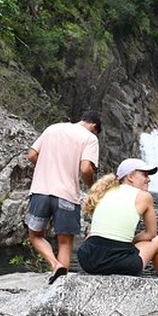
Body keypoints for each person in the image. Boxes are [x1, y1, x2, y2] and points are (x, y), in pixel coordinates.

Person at [26, 111, 101, 284]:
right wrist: (91, 187)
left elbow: (31, 154)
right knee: (65, 243)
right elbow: (86, 169)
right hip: (66, 195)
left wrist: (47, 166)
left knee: (35, 235)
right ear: (94, 127)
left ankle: (54, 264)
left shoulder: (53, 128)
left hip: (40, 191)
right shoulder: (90, 138)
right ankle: (61, 284)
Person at [77, 158, 158, 278]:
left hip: (87, 259)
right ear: (130, 177)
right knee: (157, 241)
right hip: (121, 264)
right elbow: (151, 234)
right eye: (144, 175)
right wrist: (132, 241)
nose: (148, 179)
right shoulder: (144, 196)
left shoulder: (104, 192)